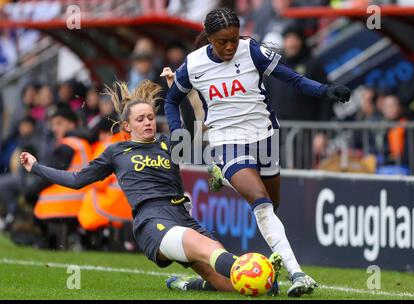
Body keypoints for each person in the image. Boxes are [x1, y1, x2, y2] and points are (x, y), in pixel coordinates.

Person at [20, 80, 279, 293]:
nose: (148, 123)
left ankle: (192, 284)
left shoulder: (167, 144)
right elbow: (76, 181)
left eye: (151, 117)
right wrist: (37, 167)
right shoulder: (116, 152)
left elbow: (197, 126)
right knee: (208, 250)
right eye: (141, 119)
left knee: (228, 285)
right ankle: (250, 267)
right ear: (126, 126)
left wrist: (180, 90)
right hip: (151, 221)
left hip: (181, 215)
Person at [163, 7, 351, 297]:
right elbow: (171, 101)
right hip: (227, 141)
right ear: (210, 38)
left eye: (234, 40)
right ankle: (298, 274)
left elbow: (294, 79)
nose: (229, 46)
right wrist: (177, 135)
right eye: (222, 41)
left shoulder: (251, 51)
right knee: (261, 204)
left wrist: (326, 90)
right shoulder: (193, 65)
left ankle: (222, 176)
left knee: (272, 207)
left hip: (265, 138)